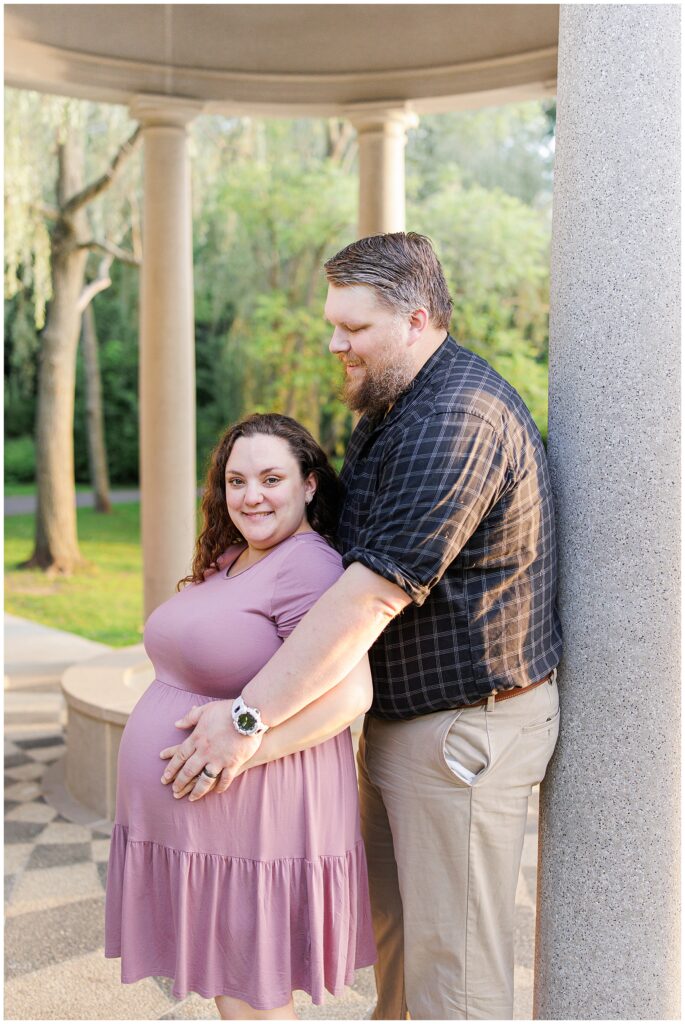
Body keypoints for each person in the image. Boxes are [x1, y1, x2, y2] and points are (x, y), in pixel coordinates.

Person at [162, 232, 563, 1020]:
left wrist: (247, 720)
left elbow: (368, 595)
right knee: (401, 960)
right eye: (332, 324)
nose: (335, 344)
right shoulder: (393, 405)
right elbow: (339, 542)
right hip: (406, 725)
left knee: (456, 975)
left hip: (462, 733)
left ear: (417, 320)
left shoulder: (455, 418)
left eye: (353, 328)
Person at [104, 413, 377, 1020]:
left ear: (309, 485)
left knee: (254, 997)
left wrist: (242, 744)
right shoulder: (232, 557)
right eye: (236, 480)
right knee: (236, 993)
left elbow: (352, 692)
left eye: (271, 478)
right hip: (214, 825)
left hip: (258, 815)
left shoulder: (307, 565)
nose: (250, 496)